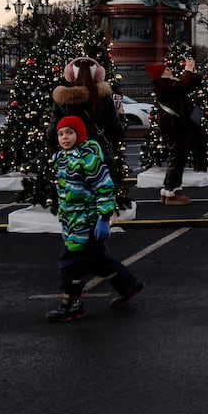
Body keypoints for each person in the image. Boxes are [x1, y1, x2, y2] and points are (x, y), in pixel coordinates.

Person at [45, 115, 143, 322]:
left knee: (70, 262)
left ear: (79, 134)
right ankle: (129, 285)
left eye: (70, 133)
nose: (64, 138)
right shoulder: (61, 159)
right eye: (61, 134)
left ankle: (72, 304)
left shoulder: (88, 159)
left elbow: (104, 188)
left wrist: (103, 217)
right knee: (97, 260)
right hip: (72, 221)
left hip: (86, 221)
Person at [48, 57, 129, 209]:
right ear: (99, 75)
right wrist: (121, 115)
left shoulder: (63, 100)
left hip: (71, 159)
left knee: (75, 203)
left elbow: (51, 134)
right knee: (101, 198)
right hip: (100, 154)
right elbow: (118, 132)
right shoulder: (105, 99)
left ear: (70, 74)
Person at [147, 59, 206, 205]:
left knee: (178, 158)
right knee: (177, 158)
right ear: (160, 74)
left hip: (179, 127)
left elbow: (192, 83)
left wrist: (191, 71)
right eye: (166, 70)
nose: (170, 70)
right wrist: (188, 69)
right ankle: (171, 190)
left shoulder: (169, 83)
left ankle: (172, 189)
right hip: (176, 128)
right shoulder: (163, 86)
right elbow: (184, 86)